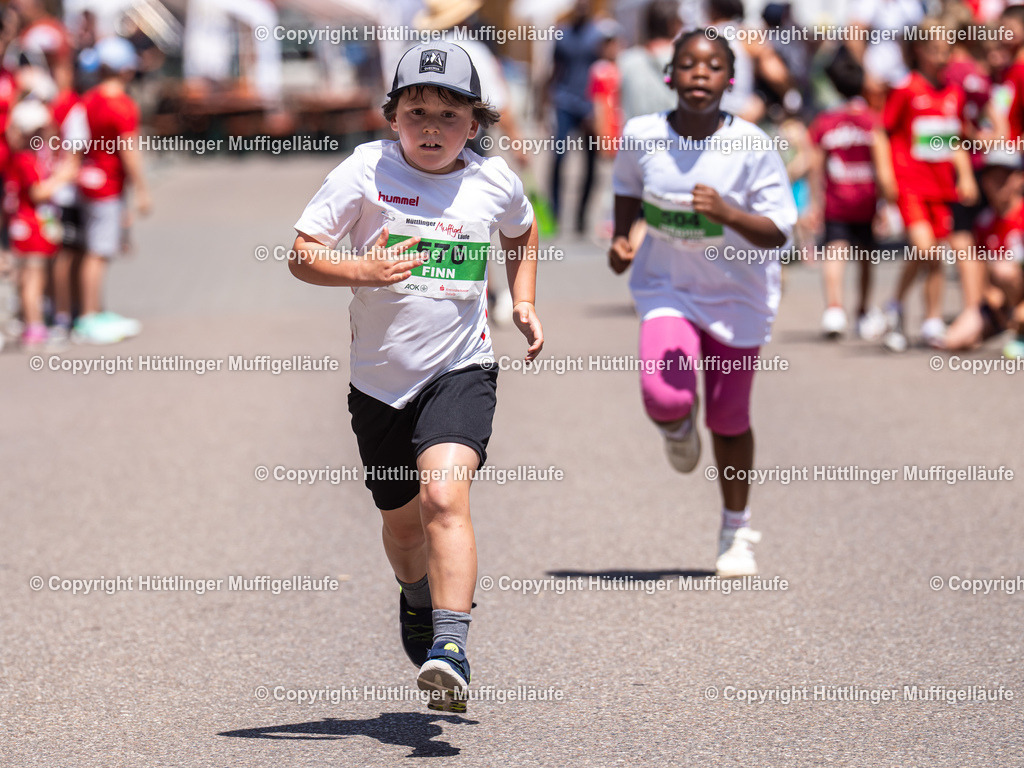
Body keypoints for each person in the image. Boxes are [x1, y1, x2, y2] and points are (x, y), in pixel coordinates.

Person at [289, 41, 543, 711]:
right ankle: (416, 596)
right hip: (379, 383)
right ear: (393, 115)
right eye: (416, 112)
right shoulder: (364, 171)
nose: (431, 128)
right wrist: (359, 270)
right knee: (403, 530)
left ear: (476, 122)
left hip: (462, 367)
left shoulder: (493, 180)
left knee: (442, 501)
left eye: (449, 116)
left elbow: (522, 233)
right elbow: (303, 255)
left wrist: (523, 300)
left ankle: (451, 645)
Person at [608, 31, 796, 577]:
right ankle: (675, 422)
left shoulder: (753, 145)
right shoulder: (643, 136)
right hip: (667, 286)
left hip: (739, 297)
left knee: (730, 420)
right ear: (670, 76)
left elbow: (780, 231)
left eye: (713, 66)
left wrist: (729, 213)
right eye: (687, 65)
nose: (699, 74)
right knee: (663, 394)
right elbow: (625, 187)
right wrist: (623, 240)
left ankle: (736, 531)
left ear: (729, 81)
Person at [881, 20, 978, 352]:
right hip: (911, 183)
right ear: (919, 50)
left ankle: (930, 319)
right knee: (924, 248)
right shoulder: (906, 88)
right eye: (936, 50)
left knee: (936, 254)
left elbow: (955, 140)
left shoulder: (953, 92)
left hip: (942, 187)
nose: (942, 57)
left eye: (947, 51)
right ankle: (895, 303)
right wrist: (885, 175)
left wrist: (964, 175)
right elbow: (882, 132)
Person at [808, 47, 895, 339]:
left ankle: (834, 309)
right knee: (866, 257)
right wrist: (887, 204)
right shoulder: (873, 121)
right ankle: (862, 310)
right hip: (867, 201)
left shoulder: (825, 122)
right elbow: (884, 170)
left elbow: (815, 167)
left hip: (836, 201)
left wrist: (814, 204)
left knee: (835, 251)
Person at [73, 36, 150, 345]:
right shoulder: (122, 104)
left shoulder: (89, 99)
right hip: (107, 184)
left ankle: (94, 311)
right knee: (98, 253)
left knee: (95, 249)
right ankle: (89, 317)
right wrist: (143, 190)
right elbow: (129, 150)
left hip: (89, 178)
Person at [4, 98, 73, 347]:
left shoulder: (22, 157)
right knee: (33, 281)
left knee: (28, 280)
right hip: (31, 226)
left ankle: (31, 324)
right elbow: (37, 193)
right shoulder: (25, 159)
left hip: (25, 225)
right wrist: (63, 177)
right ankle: (35, 327)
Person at [972, 151, 1024, 357]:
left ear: (1019, 178)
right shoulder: (983, 221)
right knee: (956, 339)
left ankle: (1018, 325)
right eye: (994, 177)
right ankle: (1008, 325)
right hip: (1001, 300)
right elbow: (979, 267)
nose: (999, 183)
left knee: (1004, 270)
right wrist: (986, 293)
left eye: (1005, 176)